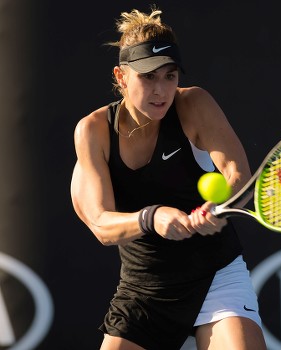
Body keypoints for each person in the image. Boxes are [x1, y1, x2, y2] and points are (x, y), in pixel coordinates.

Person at [70, 5, 267, 350]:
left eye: (169, 75)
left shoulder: (194, 104)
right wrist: (152, 217)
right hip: (144, 288)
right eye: (148, 77)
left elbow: (238, 176)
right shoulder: (94, 131)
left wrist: (218, 207)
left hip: (215, 275)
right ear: (121, 76)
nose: (161, 90)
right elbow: (101, 225)